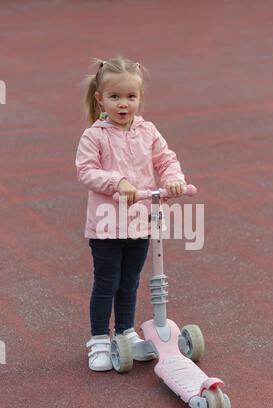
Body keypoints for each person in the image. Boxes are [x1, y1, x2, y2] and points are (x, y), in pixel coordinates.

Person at [75, 56, 186, 371]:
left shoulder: (148, 130)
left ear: (139, 98)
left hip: (141, 220)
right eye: (115, 97)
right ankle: (98, 339)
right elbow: (86, 171)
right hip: (106, 226)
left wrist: (173, 179)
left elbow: (165, 159)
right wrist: (116, 181)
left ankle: (125, 330)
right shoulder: (94, 135)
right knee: (107, 281)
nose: (123, 104)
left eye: (130, 97)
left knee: (131, 281)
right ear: (100, 99)